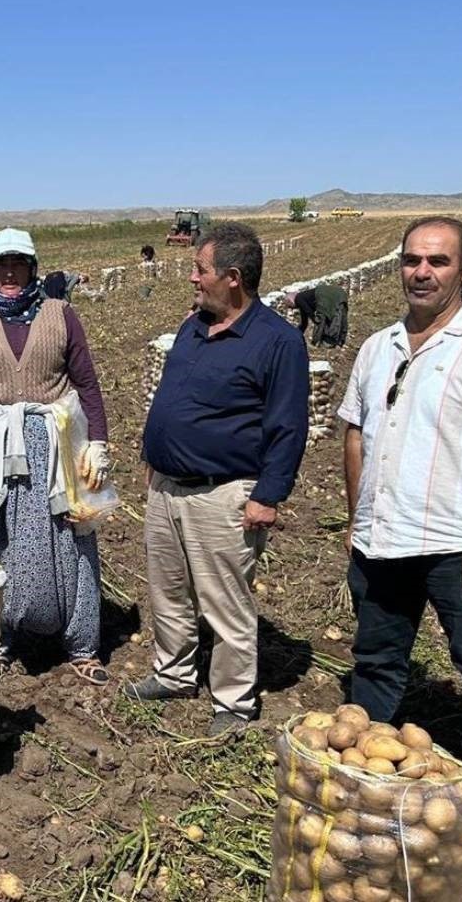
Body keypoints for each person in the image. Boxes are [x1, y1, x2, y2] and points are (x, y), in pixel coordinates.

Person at [337, 215, 462, 824]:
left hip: (455, 542)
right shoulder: (379, 347)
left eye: (438, 261)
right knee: (375, 657)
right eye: (412, 260)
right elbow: (354, 435)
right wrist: (357, 517)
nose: (422, 272)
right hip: (381, 536)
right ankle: (364, 766)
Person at [128, 222, 310, 735]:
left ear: (232, 277)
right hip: (167, 486)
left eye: (199, 269)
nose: (191, 278)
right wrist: (153, 454)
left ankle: (232, 701)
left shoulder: (277, 342)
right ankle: (173, 673)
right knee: (168, 590)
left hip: (224, 492)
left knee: (226, 601)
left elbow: (288, 426)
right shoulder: (194, 326)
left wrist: (267, 496)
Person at [0, 229, 112, 684]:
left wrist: (97, 442)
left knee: (72, 537)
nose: (11, 273)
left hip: (56, 440)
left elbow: (88, 385)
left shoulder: (61, 315)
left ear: (34, 269)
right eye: (2, 265)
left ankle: (81, 644)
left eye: (19, 264)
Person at [291, 284, 349, 348]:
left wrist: (315, 341)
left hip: (325, 296)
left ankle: (328, 341)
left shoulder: (298, 298)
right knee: (340, 317)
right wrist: (297, 335)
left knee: (330, 319)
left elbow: (312, 315)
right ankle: (340, 342)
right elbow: (305, 322)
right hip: (341, 294)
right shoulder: (303, 298)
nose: (292, 309)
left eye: (291, 307)